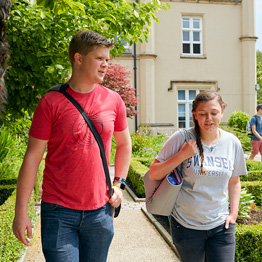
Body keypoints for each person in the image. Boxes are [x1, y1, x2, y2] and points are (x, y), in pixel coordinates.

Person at [12, 30, 132, 262]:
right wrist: (20, 212)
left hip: (100, 213)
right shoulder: (51, 102)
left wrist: (120, 184)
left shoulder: (113, 100)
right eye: (99, 58)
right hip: (59, 212)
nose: (106, 64)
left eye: (108, 59)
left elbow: (125, 145)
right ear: (78, 58)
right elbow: (32, 158)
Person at [149, 91, 247, 262]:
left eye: (214, 113)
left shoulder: (232, 142)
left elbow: (234, 181)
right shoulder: (181, 138)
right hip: (186, 226)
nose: (209, 118)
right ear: (194, 115)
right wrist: (181, 155)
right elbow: (154, 173)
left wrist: (233, 213)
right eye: (202, 114)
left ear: (222, 112)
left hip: (221, 226)